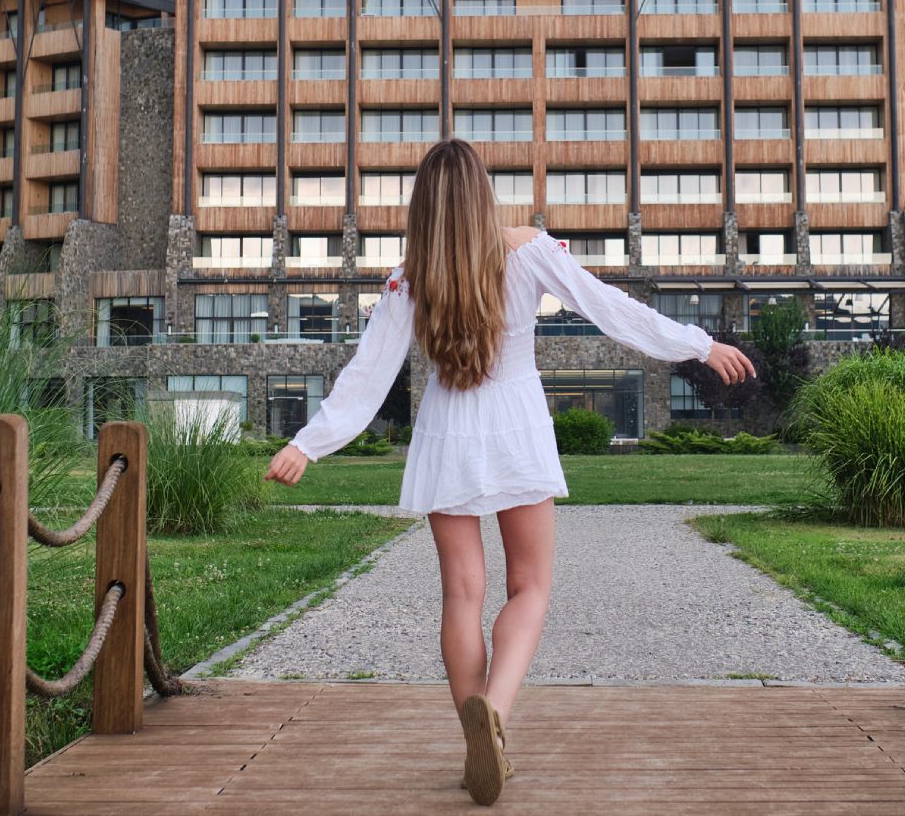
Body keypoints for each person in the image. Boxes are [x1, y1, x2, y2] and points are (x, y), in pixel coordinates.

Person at [264, 138, 755, 806]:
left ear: (423, 206)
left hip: (446, 433)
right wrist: (700, 343)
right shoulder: (529, 250)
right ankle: (493, 714)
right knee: (530, 588)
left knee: (461, 596)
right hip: (516, 428)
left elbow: (367, 376)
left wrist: (308, 444)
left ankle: (478, 737)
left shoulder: (410, 277)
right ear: (483, 194)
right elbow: (611, 308)